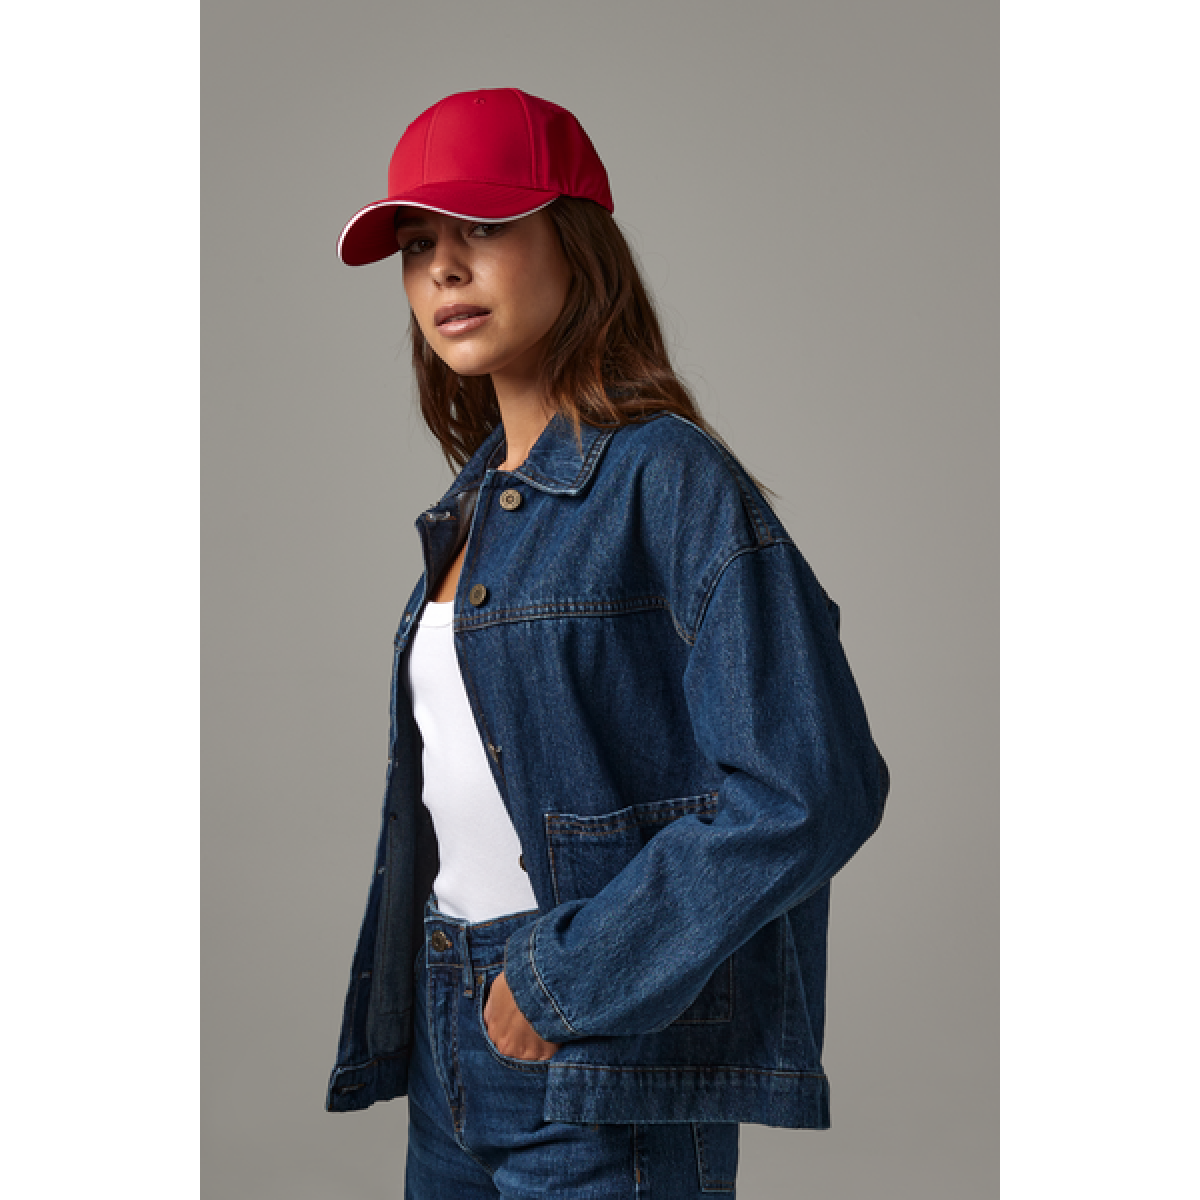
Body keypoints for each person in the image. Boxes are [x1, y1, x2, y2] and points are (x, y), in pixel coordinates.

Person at [326, 87, 889, 1198]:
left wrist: (565, 981)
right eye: (418, 244)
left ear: (576, 244)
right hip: (450, 1039)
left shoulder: (668, 479)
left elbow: (811, 783)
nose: (443, 269)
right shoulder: (477, 505)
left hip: (596, 1053)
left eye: (483, 227)